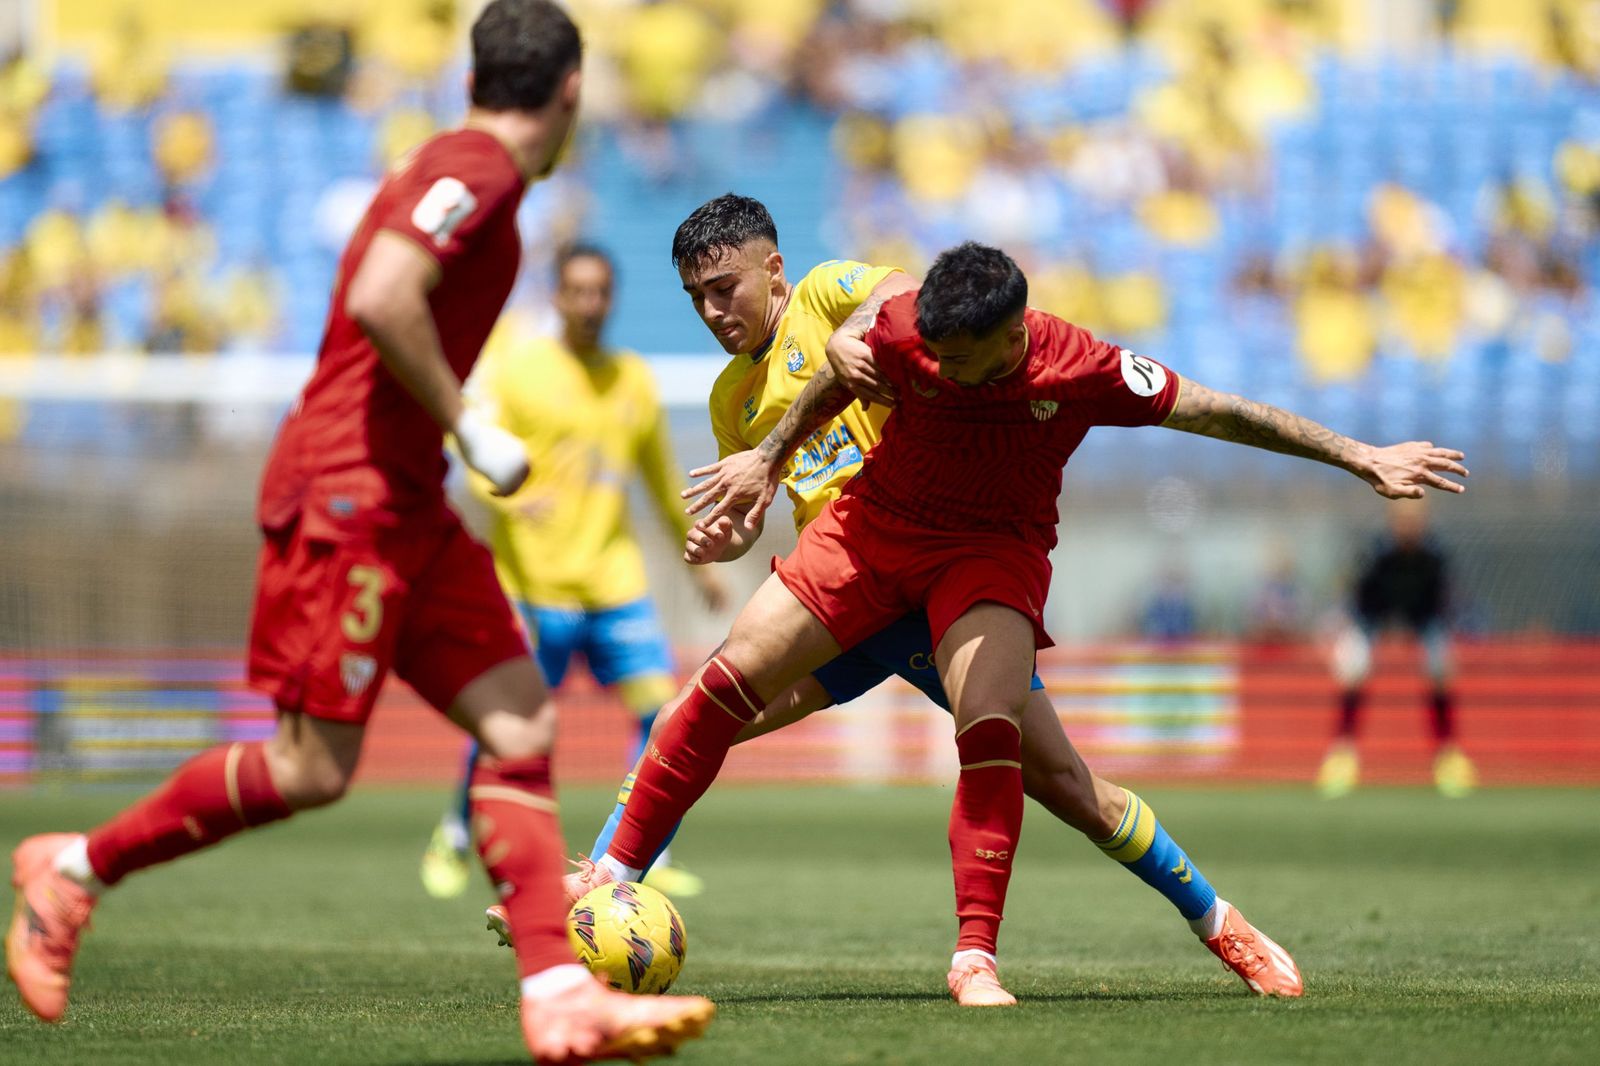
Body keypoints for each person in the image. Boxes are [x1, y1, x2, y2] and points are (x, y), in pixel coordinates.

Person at [5, 4, 714, 1060]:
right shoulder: (473, 171)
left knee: (519, 721)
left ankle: (558, 996)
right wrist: (470, 419)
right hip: (347, 497)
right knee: (310, 769)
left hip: (407, 502)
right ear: (569, 90)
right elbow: (386, 292)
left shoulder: (477, 175)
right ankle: (72, 871)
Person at [547, 233, 1466, 1005]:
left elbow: (1219, 413)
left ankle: (1155, 928)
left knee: (1045, 770)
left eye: (958, 360)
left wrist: (1359, 456)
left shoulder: (1086, 367)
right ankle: (605, 882)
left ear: (1012, 335)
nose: (935, 369)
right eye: (929, 352)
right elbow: (841, 373)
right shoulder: (908, 337)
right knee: (713, 694)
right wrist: (769, 457)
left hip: (986, 559)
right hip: (873, 538)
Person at [421, 242, 727, 901]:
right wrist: (505, 491)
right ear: (558, 296)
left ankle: (651, 851)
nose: (590, 304)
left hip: (615, 582)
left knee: (662, 717)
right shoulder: (521, 370)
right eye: (578, 291)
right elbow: (464, 437)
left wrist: (697, 557)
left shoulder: (632, 380)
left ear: (612, 298)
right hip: (533, 584)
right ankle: (454, 832)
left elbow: (659, 478)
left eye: (601, 292)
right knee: (504, 726)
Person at [1317, 500, 1476, 798]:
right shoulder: (1377, 555)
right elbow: (1359, 599)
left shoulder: (1434, 557)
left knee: (1440, 664)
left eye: (1415, 520)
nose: (1408, 526)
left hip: (1421, 619)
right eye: (1403, 520)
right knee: (1353, 665)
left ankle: (1448, 755)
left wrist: (1419, 630)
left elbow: (1441, 605)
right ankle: (1342, 754)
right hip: (1374, 619)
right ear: (1393, 522)